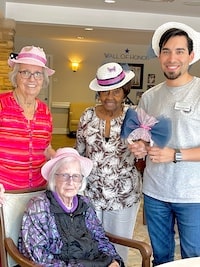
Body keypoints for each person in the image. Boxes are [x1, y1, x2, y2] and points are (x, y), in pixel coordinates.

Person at [128, 22, 200, 266]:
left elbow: (172, 152)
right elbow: (142, 136)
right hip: (155, 193)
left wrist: (176, 155)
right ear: (159, 56)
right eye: (166, 51)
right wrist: (139, 147)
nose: (172, 58)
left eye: (180, 51)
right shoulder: (149, 97)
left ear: (191, 55)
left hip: (193, 196)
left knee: (193, 258)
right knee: (162, 258)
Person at [75, 62, 142, 262]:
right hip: (91, 193)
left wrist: (142, 148)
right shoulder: (87, 115)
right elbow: (78, 153)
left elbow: (146, 149)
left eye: (116, 91)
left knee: (119, 246)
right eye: (105, 92)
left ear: (125, 92)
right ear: (99, 93)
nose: (110, 97)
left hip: (124, 196)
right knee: (91, 244)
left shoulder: (135, 115)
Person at [18, 147, 124, 267]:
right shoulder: (38, 207)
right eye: (64, 175)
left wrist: (113, 260)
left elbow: (99, 237)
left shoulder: (85, 203)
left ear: (81, 181)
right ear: (54, 177)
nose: (71, 182)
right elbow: (38, 255)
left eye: (76, 176)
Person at [0, 45, 55, 201]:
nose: (32, 79)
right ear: (15, 76)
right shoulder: (1, 105)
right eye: (25, 72)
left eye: (38, 74)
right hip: (5, 194)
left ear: (43, 79)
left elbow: (45, 148)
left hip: (38, 193)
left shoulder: (45, 111)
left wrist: (60, 158)